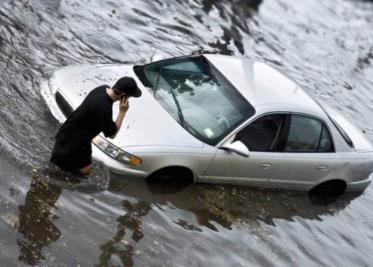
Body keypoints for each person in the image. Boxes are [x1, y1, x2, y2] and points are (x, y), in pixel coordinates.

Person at [50, 77, 142, 175]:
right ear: (123, 96)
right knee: (58, 173)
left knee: (85, 170)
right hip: (71, 145)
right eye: (130, 96)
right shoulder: (103, 108)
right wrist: (122, 112)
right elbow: (112, 134)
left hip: (73, 136)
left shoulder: (102, 89)